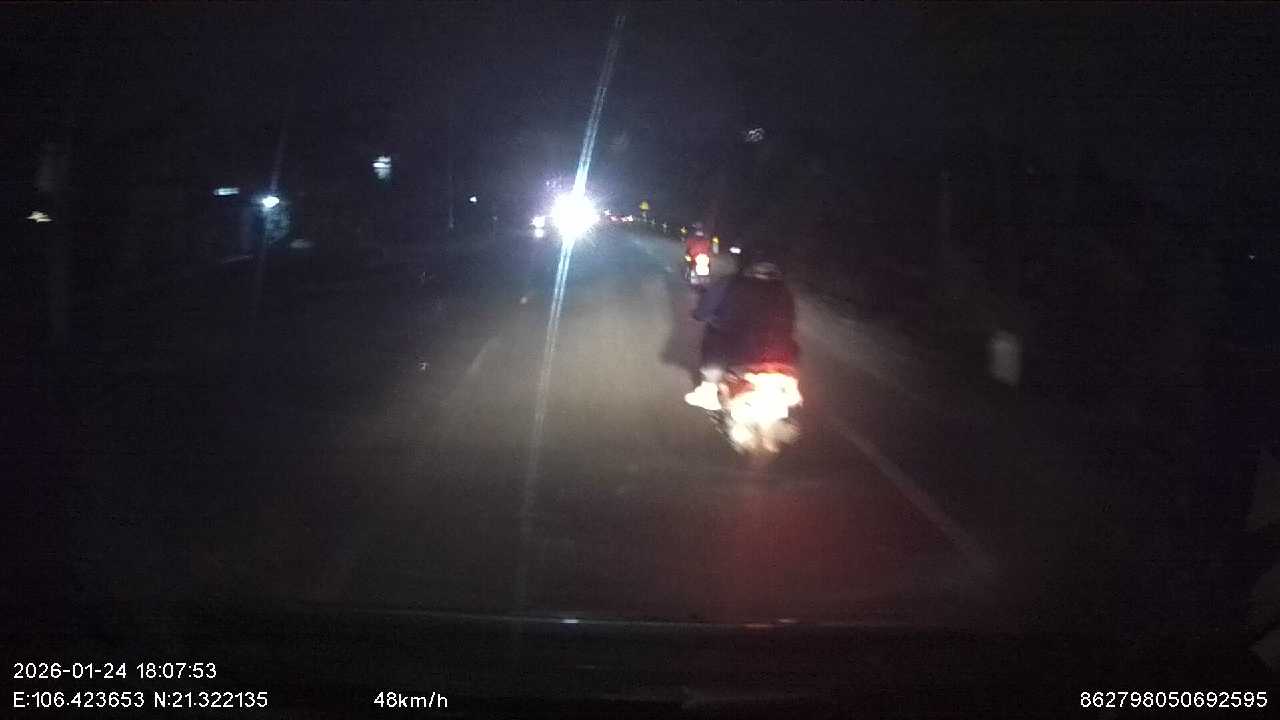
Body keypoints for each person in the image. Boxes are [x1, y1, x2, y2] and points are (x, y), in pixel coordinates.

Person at [684, 255, 798, 410]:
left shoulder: (728, 283)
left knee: (713, 336)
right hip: (782, 358)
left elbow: (703, 312)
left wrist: (698, 314)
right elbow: (790, 324)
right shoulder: (784, 291)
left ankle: (708, 390)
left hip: (736, 353)